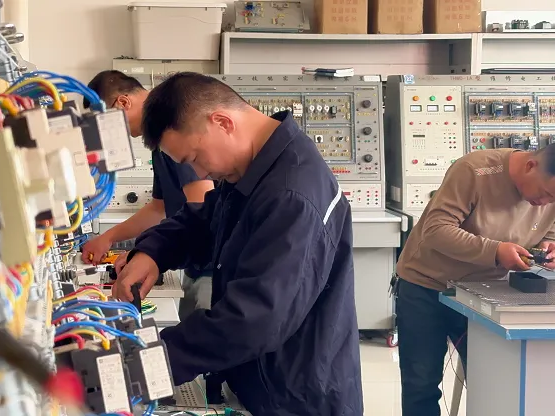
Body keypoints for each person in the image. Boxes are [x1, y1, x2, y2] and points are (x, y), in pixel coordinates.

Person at [112, 72, 363, 415]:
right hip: (261, 381)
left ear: (222, 122)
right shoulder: (257, 167)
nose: (200, 174)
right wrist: (152, 253)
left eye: (194, 158)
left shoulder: (291, 193)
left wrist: (144, 363)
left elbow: (253, 320)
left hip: (293, 399)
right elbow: (205, 220)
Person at [395, 146, 555, 416]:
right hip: (427, 286)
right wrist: (495, 251)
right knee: (421, 384)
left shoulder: (550, 195)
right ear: (531, 166)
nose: (546, 204)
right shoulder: (474, 171)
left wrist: (549, 245)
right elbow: (436, 230)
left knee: (491, 383)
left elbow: (550, 230)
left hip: (486, 294)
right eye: (546, 194)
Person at [80, 71, 215, 318]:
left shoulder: (174, 127)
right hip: (196, 265)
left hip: (213, 269)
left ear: (123, 102)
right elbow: (158, 208)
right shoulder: (159, 143)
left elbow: (202, 206)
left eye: (106, 126)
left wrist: (148, 253)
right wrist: (108, 238)